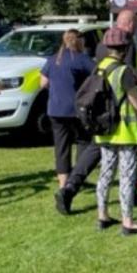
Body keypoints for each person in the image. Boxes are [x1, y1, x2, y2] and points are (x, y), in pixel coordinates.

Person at [55, 9, 137, 215]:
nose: (136, 30)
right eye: (136, 26)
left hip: (100, 109)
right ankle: (131, 197)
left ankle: (70, 188)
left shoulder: (103, 42)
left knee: (96, 152)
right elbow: (126, 73)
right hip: (119, 112)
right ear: (130, 24)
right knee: (128, 158)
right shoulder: (126, 43)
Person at [92, 28, 137, 235]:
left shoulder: (100, 67)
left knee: (105, 173)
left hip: (105, 129)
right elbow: (135, 102)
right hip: (125, 131)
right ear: (125, 48)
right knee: (126, 176)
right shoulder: (124, 71)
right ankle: (128, 221)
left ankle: (102, 216)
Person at [40, 29, 94, 190]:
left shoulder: (52, 60)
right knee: (84, 141)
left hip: (55, 109)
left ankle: (63, 184)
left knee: (61, 147)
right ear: (79, 41)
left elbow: (42, 83)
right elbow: (98, 75)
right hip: (76, 110)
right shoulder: (82, 60)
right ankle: (77, 179)